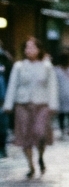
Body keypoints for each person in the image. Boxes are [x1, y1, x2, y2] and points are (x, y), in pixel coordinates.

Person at [2, 37, 58, 178]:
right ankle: (30, 165)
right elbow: (13, 85)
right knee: (25, 135)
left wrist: (53, 104)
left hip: (41, 104)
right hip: (23, 104)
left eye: (33, 47)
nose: (29, 50)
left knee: (40, 133)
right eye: (27, 47)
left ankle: (40, 156)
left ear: (39, 49)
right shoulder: (19, 66)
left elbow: (52, 86)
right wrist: (8, 104)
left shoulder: (46, 66)